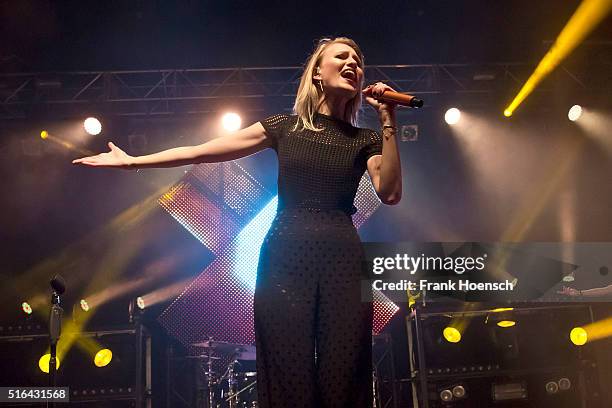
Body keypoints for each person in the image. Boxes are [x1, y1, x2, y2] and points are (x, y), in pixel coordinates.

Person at [73, 37, 402, 408]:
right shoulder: (283, 127)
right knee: (287, 370)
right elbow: (200, 151)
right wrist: (134, 161)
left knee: (345, 371)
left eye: (358, 62)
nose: (352, 65)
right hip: (285, 259)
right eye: (342, 57)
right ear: (316, 74)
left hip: (343, 261)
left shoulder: (367, 139)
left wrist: (388, 120)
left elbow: (389, 192)